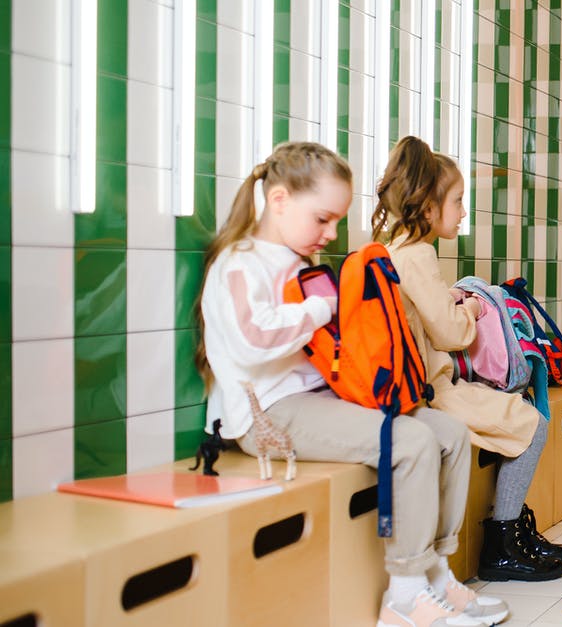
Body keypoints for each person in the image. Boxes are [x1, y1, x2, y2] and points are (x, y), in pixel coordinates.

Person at [196, 141, 507, 627]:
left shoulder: (297, 263)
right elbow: (254, 339)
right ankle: (404, 596)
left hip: (317, 401)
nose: (332, 232)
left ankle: (436, 573)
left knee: (447, 434)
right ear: (278, 200)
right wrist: (324, 308)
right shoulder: (240, 262)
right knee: (410, 441)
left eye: (337, 220)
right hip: (266, 414)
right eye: (322, 219)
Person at [373, 136, 562, 583]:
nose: (463, 211)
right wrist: (473, 309)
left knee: (517, 417)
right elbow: (451, 334)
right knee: (532, 425)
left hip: (418, 387)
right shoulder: (417, 254)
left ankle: (514, 526)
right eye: (458, 201)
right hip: (433, 393)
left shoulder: (393, 248)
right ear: (428, 207)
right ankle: (502, 541)